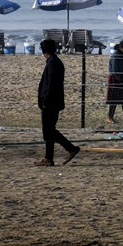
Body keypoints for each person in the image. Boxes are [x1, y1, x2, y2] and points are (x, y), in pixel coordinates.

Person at [36, 38, 80, 167]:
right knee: (49, 130)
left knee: (49, 130)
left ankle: (70, 148)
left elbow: (51, 84)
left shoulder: (53, 63)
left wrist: (45, 100)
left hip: (50, 102)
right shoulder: (53, 61)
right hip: (52, 101)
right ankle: (49, 157)